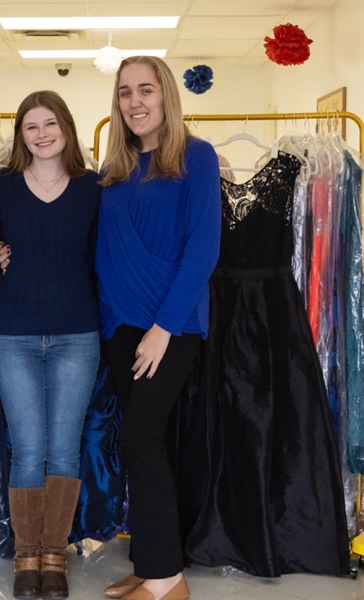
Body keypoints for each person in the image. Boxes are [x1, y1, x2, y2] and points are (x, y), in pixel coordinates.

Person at [96, 56, 220, 600]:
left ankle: (169, 578)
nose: (135, 101)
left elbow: (204, 248)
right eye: (125, 93)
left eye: (146, 89)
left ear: (167, 95)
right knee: (145, 444)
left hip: (169, 326)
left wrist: (164, 328)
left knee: (143, 437)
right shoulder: (113, 170)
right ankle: (150, 563)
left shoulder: (197, 157)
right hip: (119, 325)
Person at [0, 90, 101, 600]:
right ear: (20, 135)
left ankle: (54, 557)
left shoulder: (94, 187)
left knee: (63, 447)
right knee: (28, 448)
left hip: (78, 333)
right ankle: (26, 557)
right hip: (14, 335)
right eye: (30, 126)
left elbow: (107, 256)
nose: (41, 134)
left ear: (67, 129)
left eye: (50, 123)